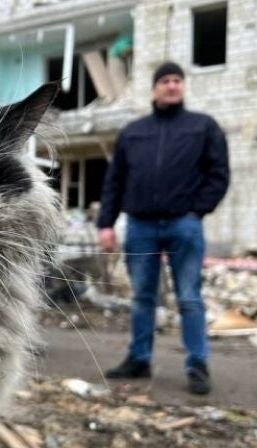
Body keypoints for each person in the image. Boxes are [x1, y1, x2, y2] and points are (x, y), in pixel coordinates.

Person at [97, 62, 230, 395]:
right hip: (141, 225)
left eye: (177, 81)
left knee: (189, 296)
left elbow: (219, 174)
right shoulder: (133, 132)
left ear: (182, 87)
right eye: (165, 81)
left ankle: (197, 364)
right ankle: (139, 359)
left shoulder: (203, 127)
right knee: (142, 296)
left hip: (183, 225)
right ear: (154, 88)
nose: (172, 86)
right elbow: (115, 181)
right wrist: (106, 224)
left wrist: (197, 211)